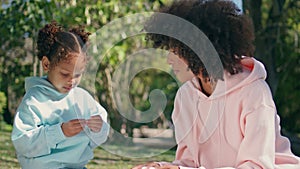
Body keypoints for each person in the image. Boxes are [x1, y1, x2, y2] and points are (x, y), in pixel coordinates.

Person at [133, 0, 300, 169]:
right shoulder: (185, 97)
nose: (169, 60)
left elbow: (256, 166)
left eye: (176, 51)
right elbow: (190, 163)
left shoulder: (254, 93)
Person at [11, 21, 110, 169]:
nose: (72, 81)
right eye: (65, 74)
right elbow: (23, 142)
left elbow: (99, 137)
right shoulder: (35, 100)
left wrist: (99, 128)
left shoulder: (82, 98)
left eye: (78, 75)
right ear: (46, 64)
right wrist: (60, 132)